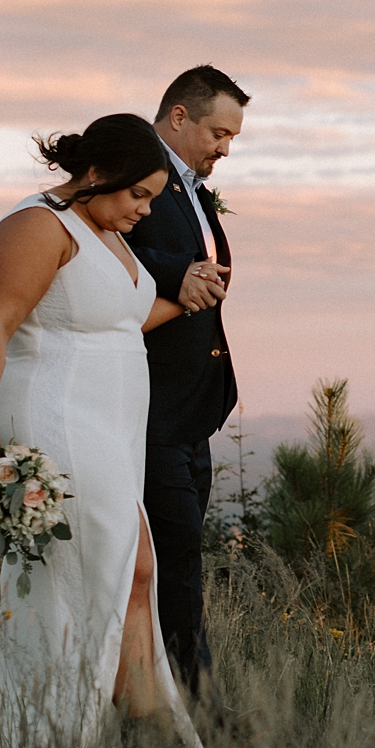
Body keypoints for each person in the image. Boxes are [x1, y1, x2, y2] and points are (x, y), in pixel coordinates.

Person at [0, 113, 208, 748]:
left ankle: (150, 740)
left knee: (134, 571)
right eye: (136, 194)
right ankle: (36, 738)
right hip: (58, 420)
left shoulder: (103, 231)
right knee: (89, 580)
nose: (144, 209)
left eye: (152, 197)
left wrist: (189, 296)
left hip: (110, 431)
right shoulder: (37, 226)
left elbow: (123, 319)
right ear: (95, 174)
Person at [124, 65, 246, 706]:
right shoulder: (131, 175)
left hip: (191, 412)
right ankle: (193, 706)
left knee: (180, 558)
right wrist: (178, 273)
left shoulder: (193, 189)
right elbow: (105, 246)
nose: (225, 148)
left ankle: (167, 694)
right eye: (219, 132)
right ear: (178, 117)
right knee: (175, 565)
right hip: (150, 408)